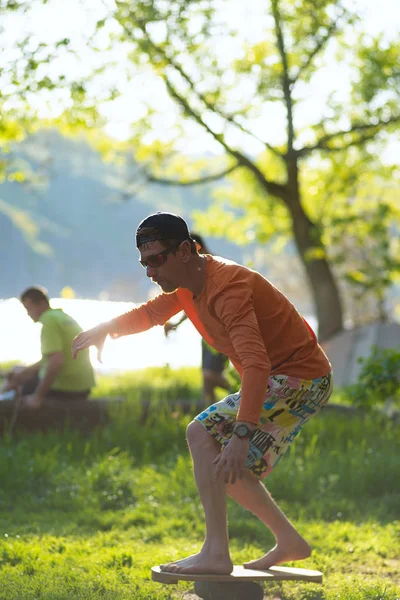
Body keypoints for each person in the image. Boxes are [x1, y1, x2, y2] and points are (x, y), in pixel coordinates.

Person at [72, 212, 333, 576]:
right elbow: (151, 314)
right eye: (145, 263)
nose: (150, 272)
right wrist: (106, 327)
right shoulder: (188, 284)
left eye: (157, 260)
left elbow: (256, 365)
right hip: (291, 379)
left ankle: (215, 553)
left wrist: (242, 432)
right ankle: (289, 542)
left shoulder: (227, 287)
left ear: (184, 251)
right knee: (225, 464)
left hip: (298, 378)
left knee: (200, 432)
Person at [164, 233, 230, 403]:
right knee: (206, 381)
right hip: (207, 333)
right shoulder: (194, 272)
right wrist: (177, 324)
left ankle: (245, 390)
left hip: (223, 332)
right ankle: (212, 423)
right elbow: (193, 302)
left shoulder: (216, 267)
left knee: (210, 375)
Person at [3, 286, 95, 408]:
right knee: (18, 371)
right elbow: (49, 360)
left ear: (41, 304)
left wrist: (38, 397)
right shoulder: (61, 316)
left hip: (67, 388)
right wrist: (23, 374)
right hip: (83, 386)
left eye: (29, 308)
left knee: (19, 385)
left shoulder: (48, 321)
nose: (28, 313)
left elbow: (56, 362)